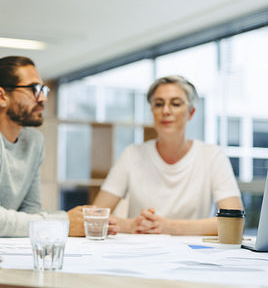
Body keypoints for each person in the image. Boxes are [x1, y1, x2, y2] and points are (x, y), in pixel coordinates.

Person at [0, 56, 119, 240]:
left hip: (2, 249)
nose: (42, 98)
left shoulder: (34, 141)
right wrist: (64, 222)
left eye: (43, 90)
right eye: (33, 89)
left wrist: (71, 221)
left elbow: (31, 210)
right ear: (1, 96)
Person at [94, 75, 243, 235]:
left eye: (176, 104)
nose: (165, 111)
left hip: (194, 255)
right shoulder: (132, 154)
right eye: (158, 104)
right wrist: (132, 226)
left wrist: (169, 227)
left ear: (191, 112)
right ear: (152, 111)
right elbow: (95, 214)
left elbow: (234, 222)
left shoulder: (212, 156)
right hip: (139, 251)